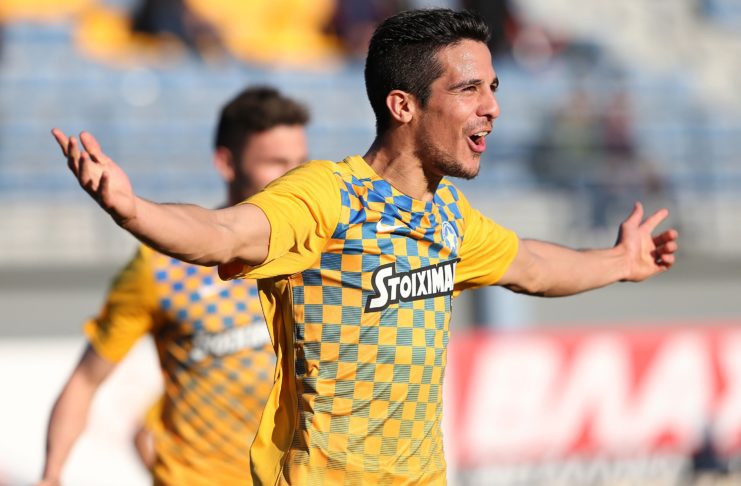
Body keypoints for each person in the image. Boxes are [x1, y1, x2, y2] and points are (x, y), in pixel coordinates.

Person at [51, 9, 678, 485]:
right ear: (403, 105)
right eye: (469, 89)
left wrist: (619, 261)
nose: (492, 107)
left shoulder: (448, 218)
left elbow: (533, 266)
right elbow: (224, 234)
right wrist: (134, 209)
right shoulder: (329, 197)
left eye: (493, 87)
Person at [40, 86, 309, 486]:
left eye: (301, 162)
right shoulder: (161, 269)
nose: (294, 177)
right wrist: (52, 473)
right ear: (227, 163)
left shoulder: (318, 252)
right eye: (276, 162)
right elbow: (85, 380)